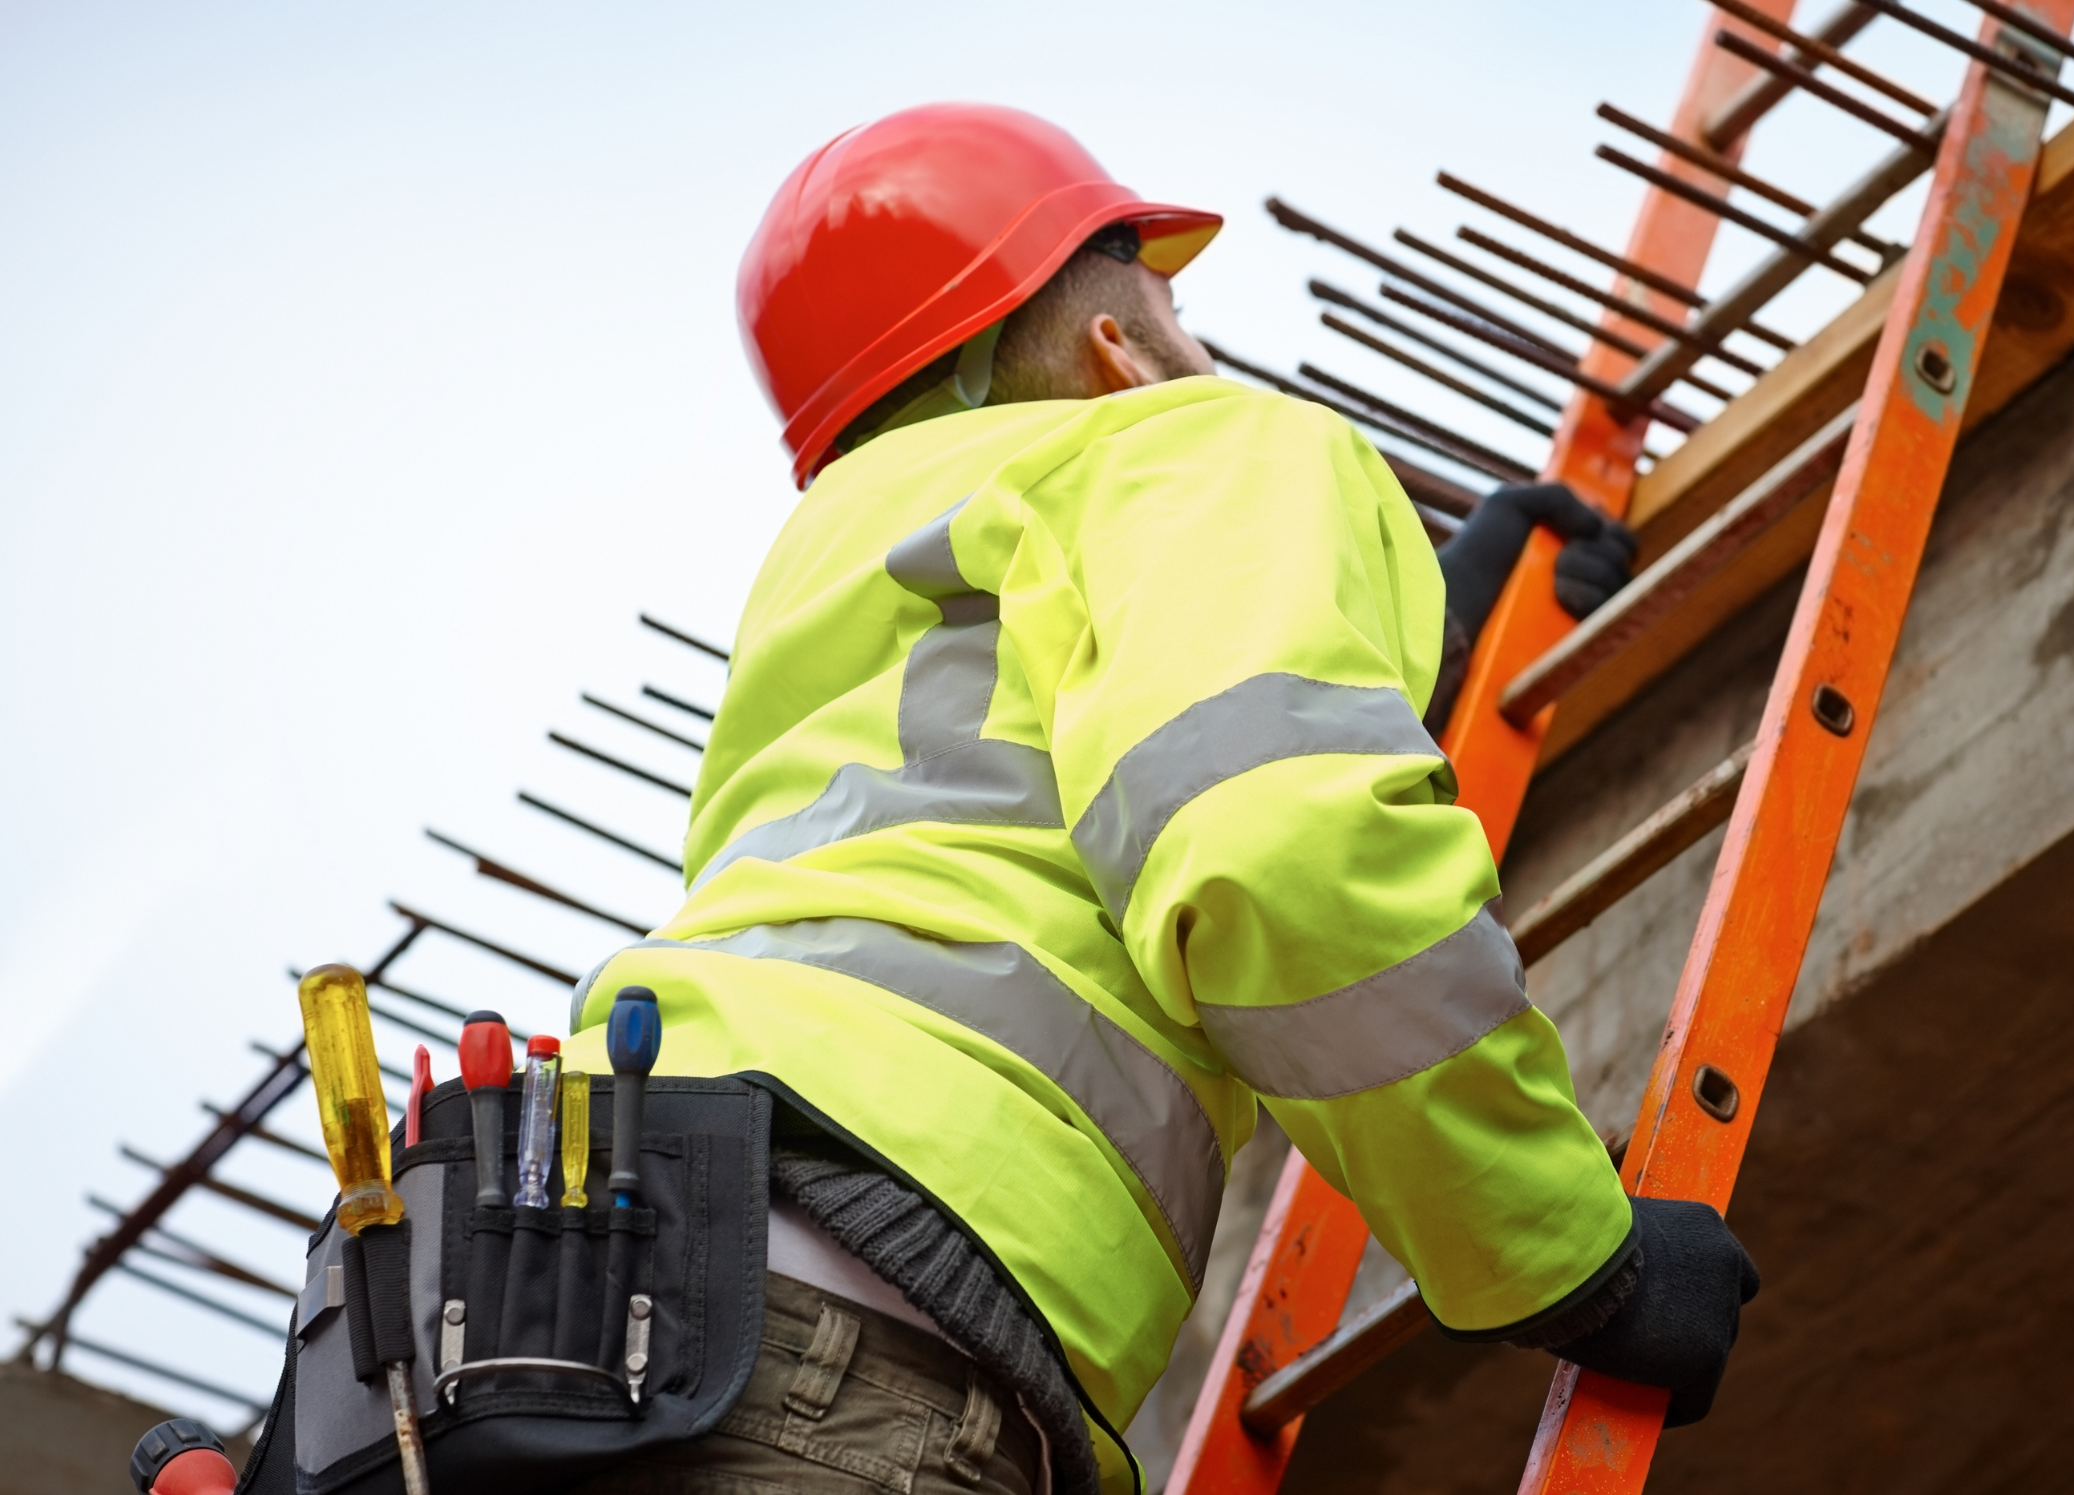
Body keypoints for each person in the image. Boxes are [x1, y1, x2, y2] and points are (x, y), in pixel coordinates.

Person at [565, 103, 1755, 1495]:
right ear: (1118, 351)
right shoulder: (1187, 439)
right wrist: (1566, 1253)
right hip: (835, 1345)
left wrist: (1411, 647)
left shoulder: (823, 577)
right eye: (1177, 313)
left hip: (523, 1292)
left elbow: (1025, 778)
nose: (1200, 358)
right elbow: (1274, 847)